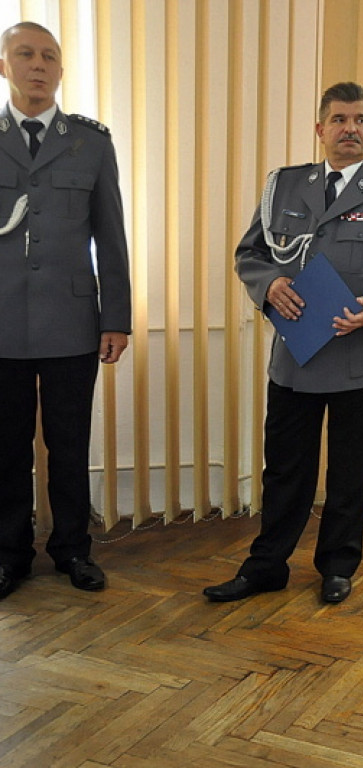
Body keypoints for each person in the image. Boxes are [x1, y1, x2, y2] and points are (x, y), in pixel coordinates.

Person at [204, 82, 363, 605]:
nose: (349, 129)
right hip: (295, 358)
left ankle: (337, 565)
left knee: (350, 473)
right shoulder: (283, 187)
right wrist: (269, 286)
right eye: (338, 119)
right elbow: (250, 255)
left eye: (360, 120)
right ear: (320, 129)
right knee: (284, 468)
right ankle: (266, 565)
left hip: (360, 358)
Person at [0, 22, 131, 600]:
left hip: (72, 324)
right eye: (25, 54)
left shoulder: (91, 142)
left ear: (60, 70)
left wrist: (116, 316)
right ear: (4, 65)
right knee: (4, 448)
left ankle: (73, 550)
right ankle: (9, 554)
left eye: (49, 56)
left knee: (70, 445)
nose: (38, 65)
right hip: (2, 323)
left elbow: (111, 235)